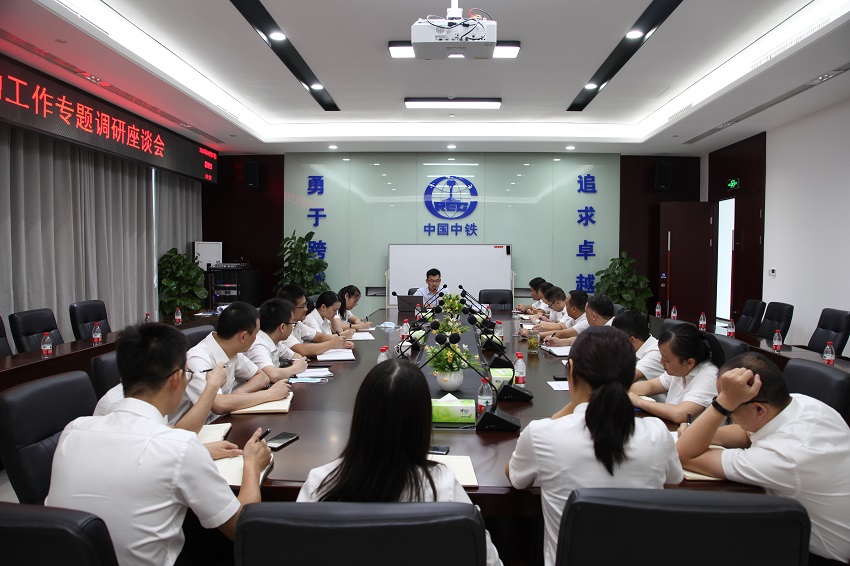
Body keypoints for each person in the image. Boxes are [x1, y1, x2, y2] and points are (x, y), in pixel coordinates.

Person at [46, 323, 272, 566]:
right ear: (176, 380)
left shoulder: (73, 430)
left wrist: (201, 451)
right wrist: (252, 465)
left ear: (123, 377)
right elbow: (241, 529)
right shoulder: (180, 446)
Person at [297, 358, 502, 566]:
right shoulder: (443, 486)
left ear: (360, 415)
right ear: (422, 421)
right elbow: (488, 561)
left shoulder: (320, 483)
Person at [506, 326, 683, 566]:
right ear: (629, 376)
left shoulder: (542, 434)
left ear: (571, 369)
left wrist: (575, 401)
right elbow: (673, 482)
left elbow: (516, 478)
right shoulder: (657, 432)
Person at [677, 352, 850, 564]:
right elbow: (747, 433)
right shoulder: (804, 404)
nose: (728, 415)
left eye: (729, 409)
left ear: (759, 409)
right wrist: (701, 434)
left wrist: (717, 410)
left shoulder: (785, 456)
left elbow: (684, 455)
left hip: (814, 556)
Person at [171, 301, 292, 425]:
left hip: (220, 422)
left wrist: (237, 395)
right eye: (256, 333)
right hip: (190, 431)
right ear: (244, 336)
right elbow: (218, 404)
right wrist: (270, 394)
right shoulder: (198, 359)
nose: (257, 338)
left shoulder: (232, 350)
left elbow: (262, 377)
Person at [628, 323, 724, 423]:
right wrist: (622, 391)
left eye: (666, 360)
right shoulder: (681, 369)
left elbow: (681, 414)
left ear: (689, 363)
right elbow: (651, 386)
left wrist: (639, 401)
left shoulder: (709, 376)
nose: (661, 362)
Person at [277, 284, 354, 357]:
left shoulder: (297, 323)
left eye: (305, 305)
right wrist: (332, 344)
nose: (306, 309)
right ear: (289, 308)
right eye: (302, 306)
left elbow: (319, 337)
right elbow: (301, 350)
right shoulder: (281, 328)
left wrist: (341, 341)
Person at [246, 298, 309, 383]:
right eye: (292, 323)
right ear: (282, 327)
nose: (292, 327)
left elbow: (296, 356)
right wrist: (295, 368)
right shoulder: (258, 345)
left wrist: (296, 364)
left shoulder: (276, 341)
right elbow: (273, 375)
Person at [612, 310, 665, 381]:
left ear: (632, 340)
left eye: (617, 339)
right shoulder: (633, 348)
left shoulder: (656, 353)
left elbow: (625, 378)